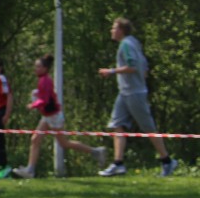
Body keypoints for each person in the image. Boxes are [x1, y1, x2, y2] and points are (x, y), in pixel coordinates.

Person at [96, 18, 177, 177]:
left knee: (148, 128)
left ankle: (167, 161)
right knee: (117, 124)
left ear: (121, 30)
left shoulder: (126, 44)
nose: (112, 31)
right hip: (125, 92)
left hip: (134, 93)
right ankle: (118, 164)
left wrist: (111, 71)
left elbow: (132, 67)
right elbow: (144, 66)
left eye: (114, 28)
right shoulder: (134, 43)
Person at [11, 54, 107, 178]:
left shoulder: (45, 81)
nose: (36, 69)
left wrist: (33, 105)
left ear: (45, 68)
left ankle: (96, 151)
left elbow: (45, 100)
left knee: (64, 143)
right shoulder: (42, 80)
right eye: (36, 66)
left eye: (38, 67)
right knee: (35, 139)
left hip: (53, 116)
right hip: (47, 116)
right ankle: (30, 170)